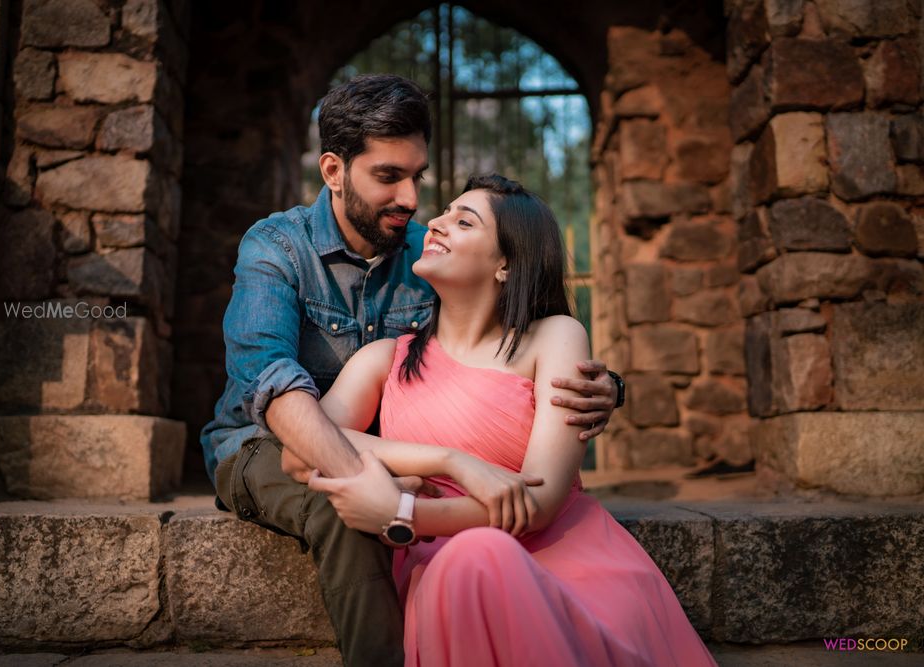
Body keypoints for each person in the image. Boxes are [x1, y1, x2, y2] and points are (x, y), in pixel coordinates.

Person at [201, 75, 623, 667]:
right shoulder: (277, 247)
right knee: (341, 502)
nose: (411, 199)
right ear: (333, 171)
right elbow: (273, 385)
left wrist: (605, 386)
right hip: (262, 443)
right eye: (387, 176)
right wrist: (413, 482)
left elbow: (515, 326)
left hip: (390, 450)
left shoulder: (431, 252)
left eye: (416, 177)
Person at [308, 174, 716, 667]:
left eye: (463, 221)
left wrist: (403, 515)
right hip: (441, 570)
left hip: (565, 562)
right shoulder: (384, 359)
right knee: (471, 559)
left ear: (505, 263)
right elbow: (307, 443)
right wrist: (449, 461)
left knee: (481, 554)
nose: (434, 223)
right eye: (444, 214)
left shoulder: (554, 338)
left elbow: (541, 502)